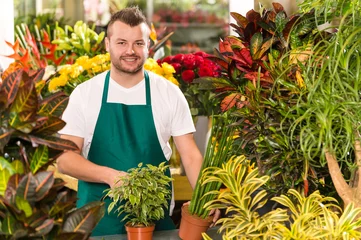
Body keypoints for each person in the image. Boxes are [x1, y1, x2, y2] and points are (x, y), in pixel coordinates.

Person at [57, 6, 218, 236]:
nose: (130, 51)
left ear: (148, 46)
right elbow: (65, 159)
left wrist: (206, 199)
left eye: (138, 43)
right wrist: (109, 176)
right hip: (97, 225)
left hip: (155, 224)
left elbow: (190, 156)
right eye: (121, 42)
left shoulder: (169, 93)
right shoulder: (85, 94)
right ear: (107, 45)